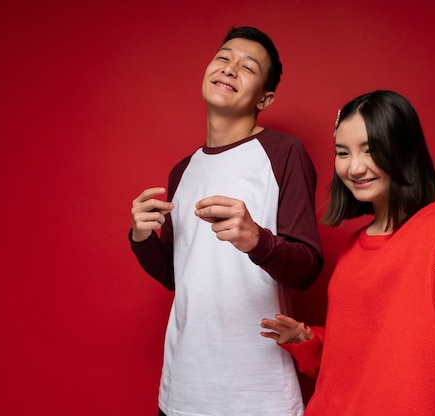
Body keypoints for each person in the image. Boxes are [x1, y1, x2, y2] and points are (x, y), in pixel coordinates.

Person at [260, 90, 435, 415]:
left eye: (370, 151)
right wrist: (308, 340)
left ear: (403, 151)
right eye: (343, 153)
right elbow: (361, 359)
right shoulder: (353, 248)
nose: (354, 167)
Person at [130, 26, 323, 416]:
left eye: (247, 67)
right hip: (182, 388)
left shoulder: (284, 152)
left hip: (259, 391)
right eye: (224, 57)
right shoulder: (182, 171)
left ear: (265, 98)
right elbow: (177, 275)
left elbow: (307, 268)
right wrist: (141, 236)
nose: (230, 69)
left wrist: (257, 240)